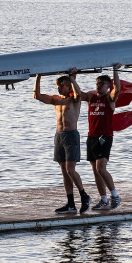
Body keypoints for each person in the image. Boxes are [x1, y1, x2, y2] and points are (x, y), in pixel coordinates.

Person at [33, 70, 91, 214]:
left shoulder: (74, 99)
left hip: (71, 135)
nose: (58, 89)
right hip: (59, 136)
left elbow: (79, 94)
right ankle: (70, 204)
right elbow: (37, 96)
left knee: (70, 170)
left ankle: (84, 196)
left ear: (68, 86)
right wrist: (38, 77)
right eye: (58, 86)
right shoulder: (55, 99)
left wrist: (72, 78)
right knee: (65, 172)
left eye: (61, 86)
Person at [78, 64, 122, 210]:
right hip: (91, 137)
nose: (98, 86)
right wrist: (72, 78)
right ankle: (103, 199)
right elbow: (78, 94)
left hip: (105, 137)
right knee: (95, 171)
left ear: (108, 86)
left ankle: (115, 195)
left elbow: (117, 89)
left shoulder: (109, 99)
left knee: (101, 168)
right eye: (97, 83)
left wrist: (115, 70)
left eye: (101, 84)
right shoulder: (91, 97)